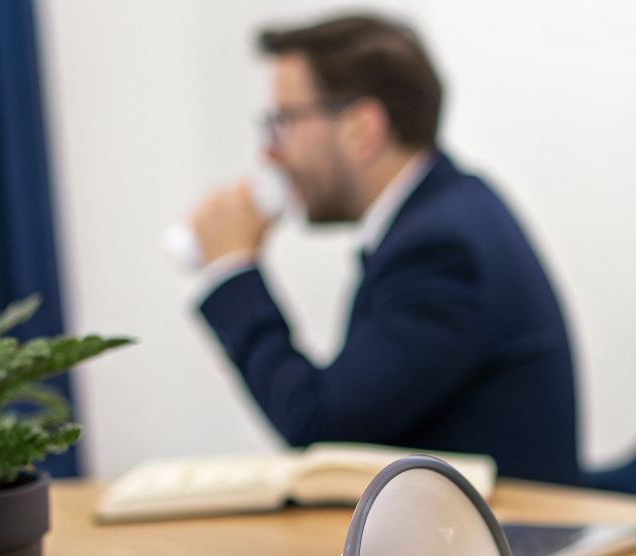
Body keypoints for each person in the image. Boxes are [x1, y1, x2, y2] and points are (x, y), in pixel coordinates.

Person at [188, 15, 580, 484]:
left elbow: (323, 430)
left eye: (283, 122)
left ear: (361, 128)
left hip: (493, 547)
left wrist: (233, 271)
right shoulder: (443, 213)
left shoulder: (440, 250)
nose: (270, 153)